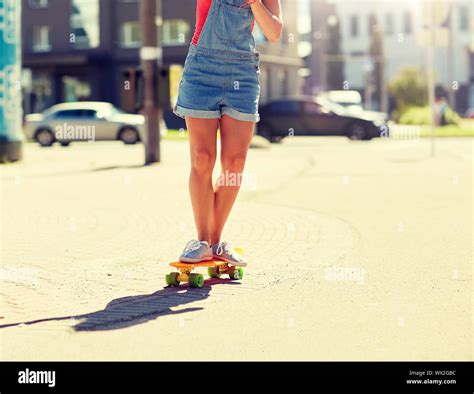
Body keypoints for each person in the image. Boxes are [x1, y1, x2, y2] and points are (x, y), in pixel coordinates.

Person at [174, 0, 283, 265]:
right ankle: (202, 242)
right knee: (202, 158)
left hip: (242, 74)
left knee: (234, 164)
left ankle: (214, 241)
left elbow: (274, 32)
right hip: (201, 71)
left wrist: (255, 3)